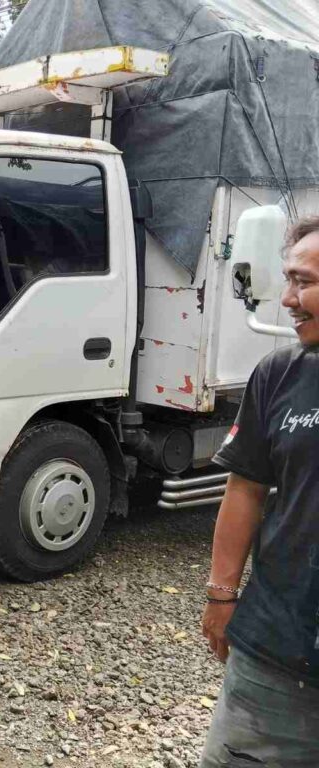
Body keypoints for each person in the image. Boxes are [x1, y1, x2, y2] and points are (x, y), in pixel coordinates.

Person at [199, 214, 319, 767]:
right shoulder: (279, 374)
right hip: (276, 654)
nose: (288, 299)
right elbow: (245, 488)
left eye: (304, 282)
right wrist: (221, 596)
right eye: (288, 279)